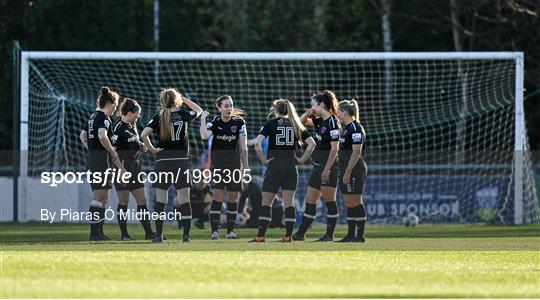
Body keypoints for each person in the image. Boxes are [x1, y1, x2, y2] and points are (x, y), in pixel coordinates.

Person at [140, 88, 202, 243]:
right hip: (180, 162)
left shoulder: (159, 116)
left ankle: (159, 235)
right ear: (177, 100)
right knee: (184, 200)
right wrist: (184, 100)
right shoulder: (183, 115)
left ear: (163, 102)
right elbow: (199, 110)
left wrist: (153, 149)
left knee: (161, 201)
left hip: (162, 163)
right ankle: (186, 236)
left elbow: (143, 135)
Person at [250, 99, 316, 242]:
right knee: (289, 203)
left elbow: (257, 143)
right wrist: (302, 159)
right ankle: (287, 237)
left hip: (274, 165)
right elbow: (312, 144)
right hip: (291, 166)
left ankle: (261, 236)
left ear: (275, 110)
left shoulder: (270, 124)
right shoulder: (296, 124)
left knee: (266, 203)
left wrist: (263, 160)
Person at [292, 90, 341, 242]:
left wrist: (327, 168)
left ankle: (329, 235)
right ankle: (301, 234)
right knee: (310, 200)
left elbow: (335, 148)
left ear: (321, 105)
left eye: (313, 104)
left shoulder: (333, 123)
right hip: (317, 167)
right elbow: (299, 124)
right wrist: (308, 113)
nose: (311, 107)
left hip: (328, 168)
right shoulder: (320, 121)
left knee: (329, 201)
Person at [200, 95, 249, 240]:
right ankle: (215, 232)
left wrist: (246, 168)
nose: (229, 108)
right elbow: (203, 135)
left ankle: (230, 231)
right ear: (219, 107)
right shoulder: (214, 123)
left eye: (231, 105)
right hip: (218, 167)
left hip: (234, 166)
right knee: (218, 198)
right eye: (226, 106)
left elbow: (244, 146)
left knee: (233, 199)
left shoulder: (239, 123)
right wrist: (203, 118)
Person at [80, 86, 125, 241]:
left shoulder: (93, 117)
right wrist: (111, 152)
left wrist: (92, 149)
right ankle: (94, 234)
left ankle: (99, 232)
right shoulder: (104, 118)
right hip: (101, 161)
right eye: (116, 105)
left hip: (95, 159)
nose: (116, 108)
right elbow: (101, 135)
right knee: (99, 197)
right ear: (110, 103)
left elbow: (82, 135)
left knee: (103, 197)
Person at [111, 98, 156, 240]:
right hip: (122, 168)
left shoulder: (133, 125)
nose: (138, 116)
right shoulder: (117, 128)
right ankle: (124, 234)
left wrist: (141, 145)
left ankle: (149, 233)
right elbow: (112, 151)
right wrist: (121, 169)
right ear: (129, 112)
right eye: (137, 113)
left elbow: (134, 141)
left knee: (142, 200)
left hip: (136, 167)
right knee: (123, 202)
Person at [335, 99, 368, 242]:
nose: (336, 114)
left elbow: (356, 152)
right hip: (345, 169)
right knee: (349, 201)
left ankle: (359, 236)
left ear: (344, 113)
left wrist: (348, 171)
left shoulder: (356, 128)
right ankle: (350, 235)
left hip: (355, 169)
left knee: (356, 201)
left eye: (338, 112)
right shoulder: (346, 129)